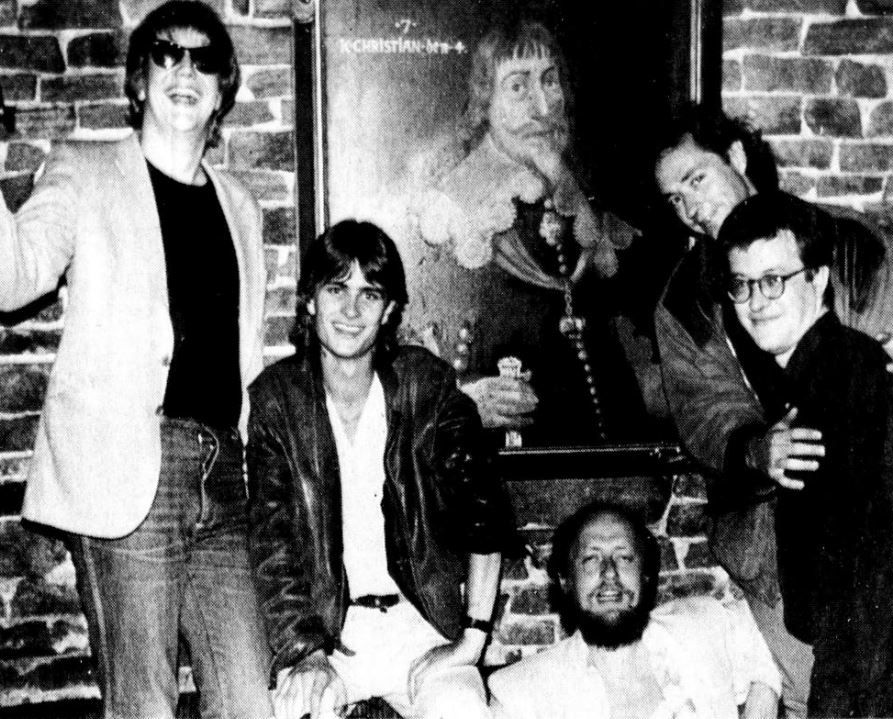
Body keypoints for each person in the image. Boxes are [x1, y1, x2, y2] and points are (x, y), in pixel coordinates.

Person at [0, 2, 271, 717]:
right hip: (131, 476)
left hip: (225, 476)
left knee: (251, 701)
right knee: (145, 704)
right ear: (139, 79)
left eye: (204, 59)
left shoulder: (242, 206)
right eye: (165, 53)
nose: (184, 70)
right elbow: (11, 280)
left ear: (222, 90)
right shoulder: (84, 171)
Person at [652, 104, 893, 718]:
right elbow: (703, 414)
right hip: (769, 543)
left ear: (737, 158)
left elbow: (891, 371)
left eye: (697, 179)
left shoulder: (851, 245)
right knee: (811, 694)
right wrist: (756, 447)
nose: (691, 208)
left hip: (875, 520)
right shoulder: (682, 302)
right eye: (674, 199)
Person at [247, 220, 514, 719]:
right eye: (336, 289)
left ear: (389, 309)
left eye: (369, 294)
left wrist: (472, 639)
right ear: (310, 301)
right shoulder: (276, 399)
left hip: (420, 626)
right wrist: (306, 652)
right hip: (328, 635)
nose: (351, 311)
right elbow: (272, 543)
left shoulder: (424, 384)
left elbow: (486, 507)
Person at [716, 192, 893, 716]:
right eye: (741, 285)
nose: (756, 303)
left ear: (818, 279)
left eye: (774, 280)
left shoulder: (840, 379)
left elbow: (879, 572)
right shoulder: (824, 372)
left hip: (872, 679)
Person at [414, 18, 645, 444]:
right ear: (485, 100)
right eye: (518, 87)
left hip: (594, 436)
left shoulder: (578, 185)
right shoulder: (454, 207)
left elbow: (623, 300)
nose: (542, 106)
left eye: (549, 81)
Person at [488, 501, 781, 719]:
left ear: (645, 575)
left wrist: (763, 695)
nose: (609, 572)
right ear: (566, 580)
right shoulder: (521, 693)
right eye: (591, 559)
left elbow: (761, 641)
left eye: (624, 557)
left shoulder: (702, 624)